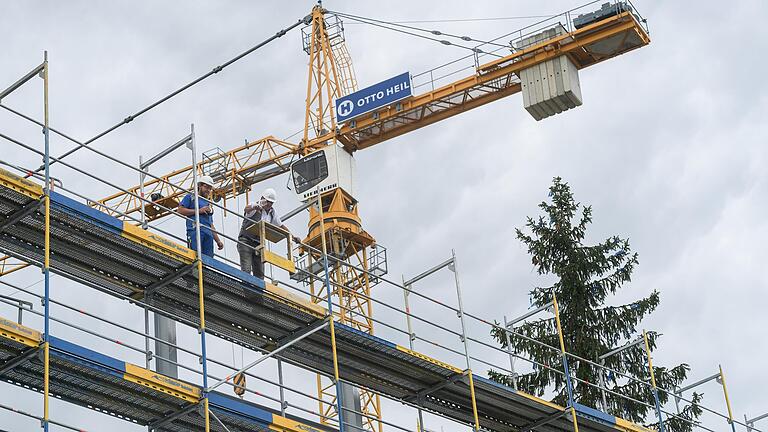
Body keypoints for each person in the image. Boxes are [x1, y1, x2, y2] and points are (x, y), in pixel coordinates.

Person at [237, 188, 300, 279]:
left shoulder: (272, 213)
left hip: (259, 244)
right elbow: (247, 209)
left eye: (271, 202)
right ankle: (246, 292)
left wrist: (292, 237)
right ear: (262, 198)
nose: (269, 204)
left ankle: (257, 293)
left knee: (260, 275)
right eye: (268, 201)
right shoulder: (255, 206)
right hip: (246, 242)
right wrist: (255, 207)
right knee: (246, 270)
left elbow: (281, 226)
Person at [177, 175, 224, 257]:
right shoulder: (191, 197)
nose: (208, 190)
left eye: (210, 188)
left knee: (208, 261)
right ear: (200, 185)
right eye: (206, 187)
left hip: (208, 234)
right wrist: (199, 211)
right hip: (195, 231)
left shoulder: (207, 203)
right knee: (195, 257)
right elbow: (180, 210)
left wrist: (218, 241)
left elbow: (211, 224)